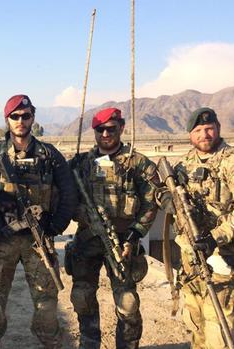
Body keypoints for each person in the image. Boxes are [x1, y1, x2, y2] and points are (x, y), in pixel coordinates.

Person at [0, 94, 77, 349]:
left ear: (33, 118)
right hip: (0, 239)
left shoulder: (49, 155)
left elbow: (69, 194)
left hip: (38, 243)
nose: (20, 121)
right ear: (7, 120)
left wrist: (54, 226)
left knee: (47, 308)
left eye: (26, 116)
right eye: (15, 116)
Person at [159, 107, 234, 348]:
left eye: (209, 129)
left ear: (217, 128)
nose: (204, 134)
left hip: (224, 258)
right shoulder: (184, 165)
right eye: (197, 130)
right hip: (191, 261)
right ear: (190, 135)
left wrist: (215, 237)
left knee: (220, 333)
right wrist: (164, 198)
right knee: (196, 326)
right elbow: (168, 196)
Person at [66, 107, 159, 349]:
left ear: (121, 128)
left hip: (124, 242)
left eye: (111, 128)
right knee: (82, 297)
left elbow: (151, 201)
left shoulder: (137, 163)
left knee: (127, 303)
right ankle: (89, 343)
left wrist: (136, 232)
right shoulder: (81, 164)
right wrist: (80, 212)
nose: (105, 134)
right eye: (100, 129)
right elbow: (65, 197)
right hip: (87, 239)